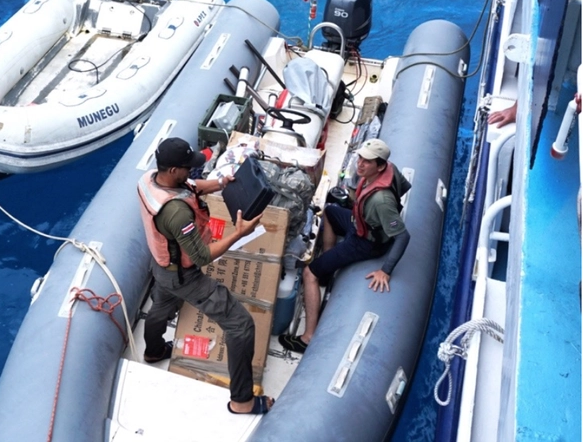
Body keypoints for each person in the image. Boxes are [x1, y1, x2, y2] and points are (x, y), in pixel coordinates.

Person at [137, 137, 275, 415]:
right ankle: (242, 401)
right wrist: (240, 233)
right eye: (187, 166)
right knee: (241, 325)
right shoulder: (177, 214)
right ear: (173, 169)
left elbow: (190, 186)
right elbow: (201, 257)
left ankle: (153, 351)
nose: (192, 170)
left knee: (160, 307)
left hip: (162, 266)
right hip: (184, 277)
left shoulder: (150, 179)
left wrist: (220, 183)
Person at [278, 138, 411, 354]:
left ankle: (308, 337)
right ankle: (327, 270)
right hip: (359, 223)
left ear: (379, 166)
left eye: (367, 161)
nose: (360, 164)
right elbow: (403, 188)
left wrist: (385, 270)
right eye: (360, 158)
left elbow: (403, 236)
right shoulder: (388, 169)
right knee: (330, 211)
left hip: (366, 242)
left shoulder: (382, 201)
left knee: (310, 273)